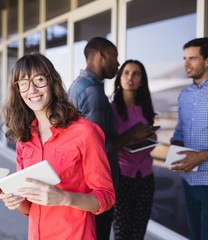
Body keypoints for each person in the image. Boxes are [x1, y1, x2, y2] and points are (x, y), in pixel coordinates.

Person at [0, 52, 115, 239]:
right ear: (18, 91)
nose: (32, 89)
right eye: (24, 84)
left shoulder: (85, 132)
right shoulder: (24, 139)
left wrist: (64, 198)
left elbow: (106, 197)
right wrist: (16, 201)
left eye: (39, 80)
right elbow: (28, 207)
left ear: (52, 82)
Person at [67, 36, 152, 240]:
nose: (118, 63)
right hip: (96, 186)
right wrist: (132, 134)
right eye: (115, 56)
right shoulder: (93, 93)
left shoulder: (79, 85)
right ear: (101, 55)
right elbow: (99, 149)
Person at [110, 60, 157, 240]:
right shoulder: (111, 109)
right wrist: (132, 135)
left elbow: (149, 136)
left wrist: (152, 137)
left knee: (138, 233)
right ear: (120, 77)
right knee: (122, 233)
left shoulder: (146, 109)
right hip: (122, 177)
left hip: (145, 177)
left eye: (136, 73)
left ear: (142, 80)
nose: (130, 77)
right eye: (126, 73)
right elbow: (108, 145)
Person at [170, 37, 208, 240]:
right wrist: (176, 149)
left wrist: (200, 156)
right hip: (188, 179)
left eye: (192, 58)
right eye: (185, 58)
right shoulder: (184, 95)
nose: (186, 64)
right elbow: (179, 132)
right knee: (194, 235)